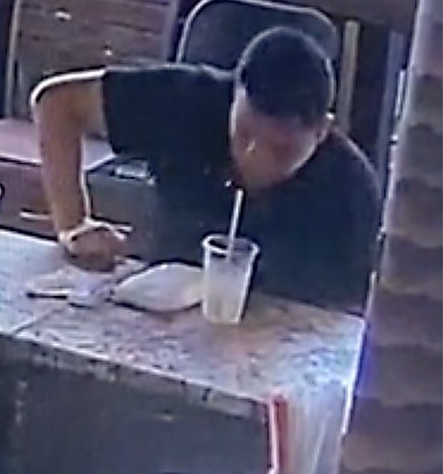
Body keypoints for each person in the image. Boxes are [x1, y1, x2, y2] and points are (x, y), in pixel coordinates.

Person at [32, 27, 381, 311]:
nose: (253, 157)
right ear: (233, 97)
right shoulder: (188, 101)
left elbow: (350, 322)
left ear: (321, 132)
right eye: (243, 134)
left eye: (280, 150)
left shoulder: (350, 193)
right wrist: (73, 225)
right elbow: (57, 103)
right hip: (154, 319)